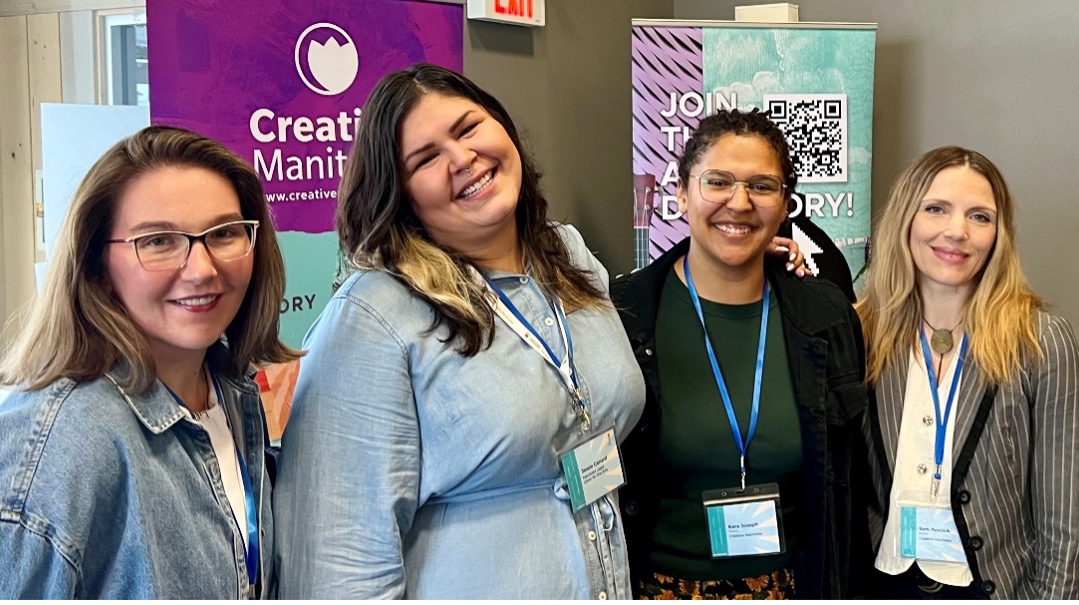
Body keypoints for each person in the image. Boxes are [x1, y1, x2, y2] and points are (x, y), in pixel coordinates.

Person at [271, 64, 804, 598]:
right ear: (399, 191)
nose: (461, 159)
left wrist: (752, 259)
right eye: (426, 158)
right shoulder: (373, 318)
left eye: (467, 128)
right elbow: (336, 570)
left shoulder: (568, 257)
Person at [0, 126, 297, 598]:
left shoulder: (233, 390)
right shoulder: (58, 448)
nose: (203, 269)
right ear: (97, 268)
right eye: (159, 241)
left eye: (224, 233)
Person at [612, 109, 872, 599]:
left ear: (785, 205)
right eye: (718, 181)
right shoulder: (623, 316)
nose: (739, 202)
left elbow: (848, 485)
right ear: (682, 194)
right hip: (658, 587)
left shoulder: (826, 317)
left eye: (762, 185)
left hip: (793, 586)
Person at [857, 146, 1079, 599]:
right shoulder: (860, 331)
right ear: (905, 219)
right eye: (936, 209)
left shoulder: (1040, 340)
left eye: (980, 217)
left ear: (999, 234)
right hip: (880, 583)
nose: (957, 231)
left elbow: (1068, 523)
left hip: (991, 588)